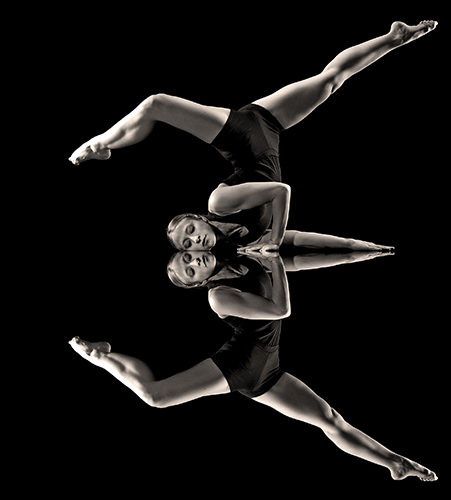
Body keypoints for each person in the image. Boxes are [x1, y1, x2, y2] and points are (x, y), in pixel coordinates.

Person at [69, 21, 437, 253]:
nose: (194, 238)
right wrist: (368, 248)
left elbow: (281, 192)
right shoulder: (245, 240)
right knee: (330, 81)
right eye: (188, 243)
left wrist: (273, 242)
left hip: (239, 137)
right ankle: (394, 39)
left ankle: (100, 143)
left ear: (200, 218)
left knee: (156, 103)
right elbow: (304, 240)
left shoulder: (218, 203)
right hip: (269, 127)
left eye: (190, 229)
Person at [69, 250, 436, 481]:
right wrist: (274, 259)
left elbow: (293, 256)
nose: (194, 262)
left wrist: (349, 254)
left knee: (330, 420)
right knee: (156, 396)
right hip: (240, 362)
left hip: (268, 371)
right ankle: (100, 356)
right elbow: (281, 309)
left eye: (189, 257)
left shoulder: (242, 260)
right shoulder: (218, 296)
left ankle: (393, 461)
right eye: (190, 270)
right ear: (199, 284)